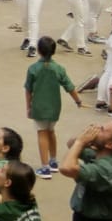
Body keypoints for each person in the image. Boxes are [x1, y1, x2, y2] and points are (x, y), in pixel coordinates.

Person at [24, 36, 82, 177]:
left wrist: (28, 107)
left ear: (38, 50)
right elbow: (69, 86)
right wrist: (78, 100)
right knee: (51, 131)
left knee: (42, 133)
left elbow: (28, 89)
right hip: (55, 107)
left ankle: (44, 168)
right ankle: (53, 161)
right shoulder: (59, 69)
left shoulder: (33, 69)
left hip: (39, 107)